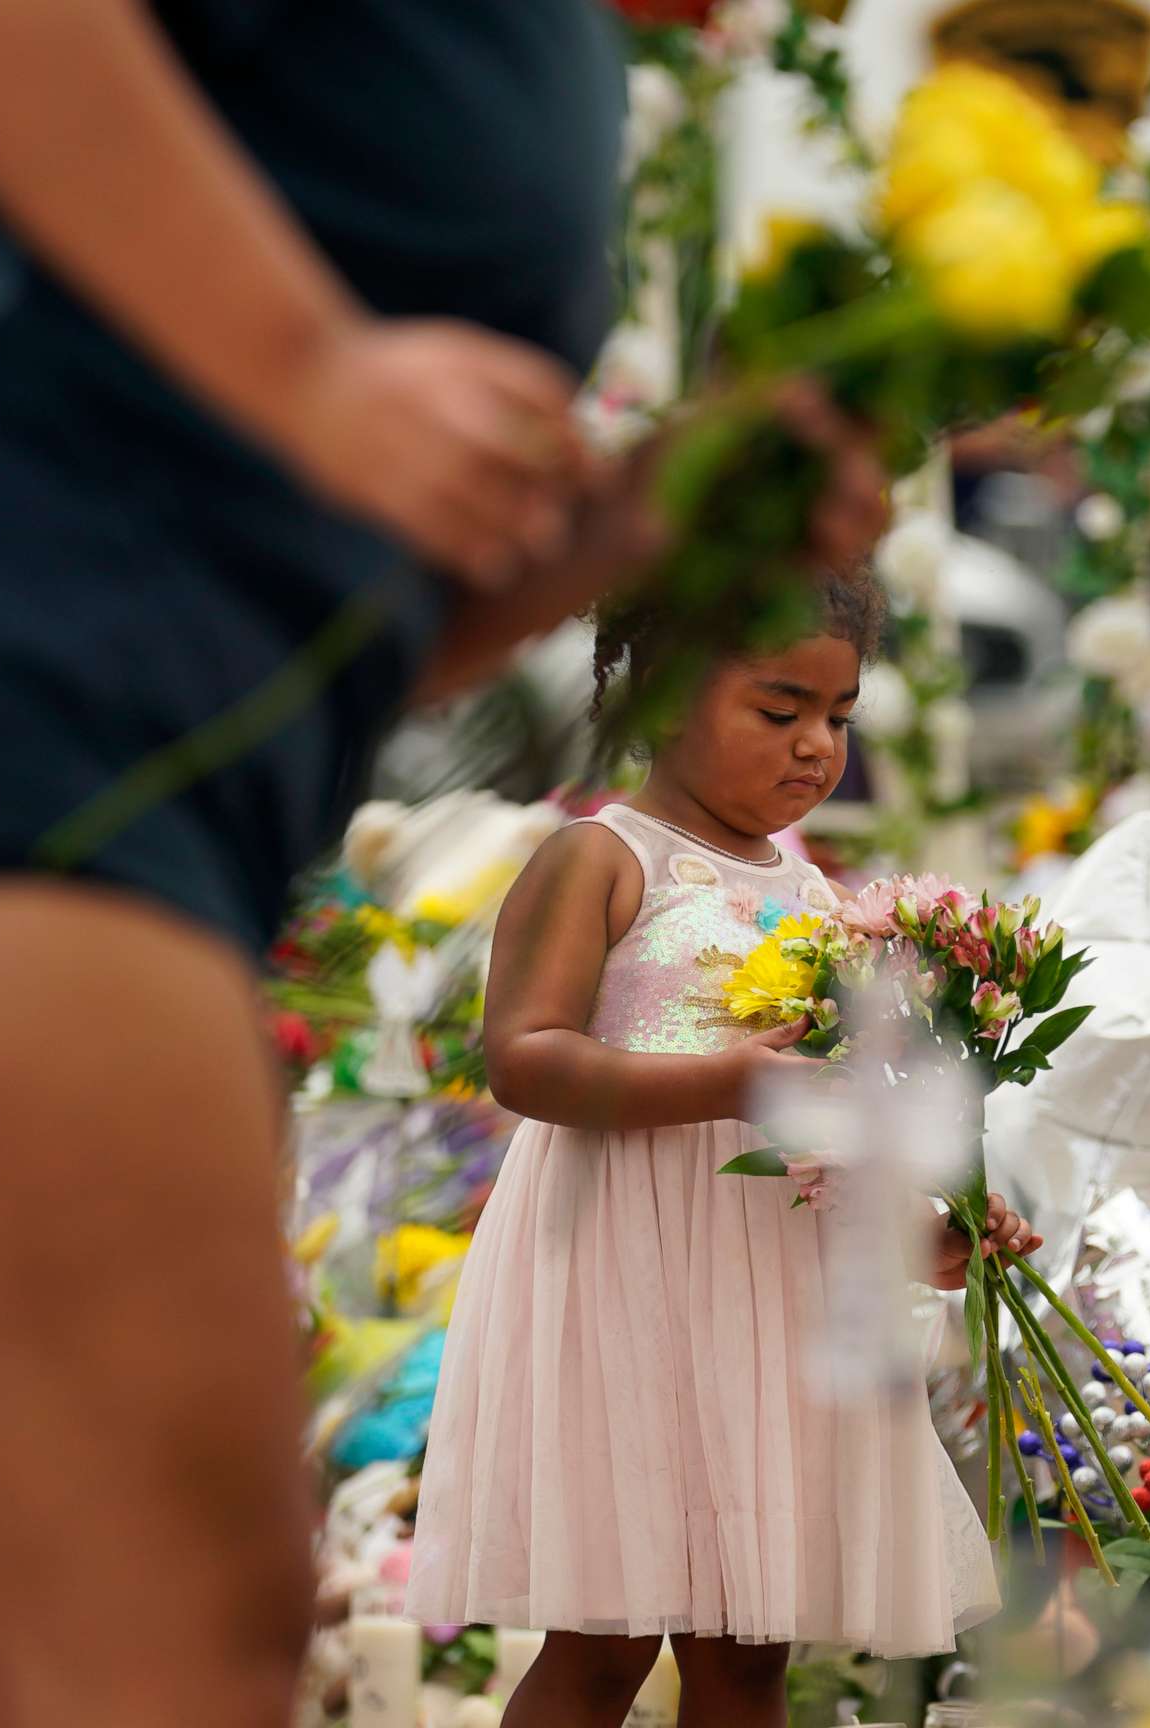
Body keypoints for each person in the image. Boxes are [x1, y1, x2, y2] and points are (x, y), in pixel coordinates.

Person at [0, 4, 885, 1725]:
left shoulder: (556, 66)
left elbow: (351, 621)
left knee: (39, 1641)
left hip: (114, 778)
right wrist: (308, 369)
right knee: (162, 1631)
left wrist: (640, 522)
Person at [408, 571, 1021, 1728]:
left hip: (767, 1297)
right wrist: (729, 1078)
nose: (815, 747)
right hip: (624, 1283)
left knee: (749, 1653)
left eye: (839, 717)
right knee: (605, 1646)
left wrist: (924, 1231)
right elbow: (523, 1057)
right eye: (779, 710)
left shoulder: (818, 896)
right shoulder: (597, 861)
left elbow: (832, 1121)